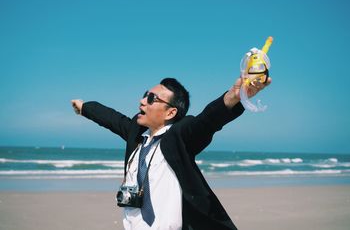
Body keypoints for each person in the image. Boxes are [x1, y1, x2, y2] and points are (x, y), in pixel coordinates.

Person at [71, 76, 271, 230]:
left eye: (151, 98)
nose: (142, 101)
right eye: (144, 94)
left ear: (170, 112)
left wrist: (233, 96)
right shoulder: (137, 135)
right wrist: (84, 107)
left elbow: (207, 121)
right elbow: (112, 118)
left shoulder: (180, 136)